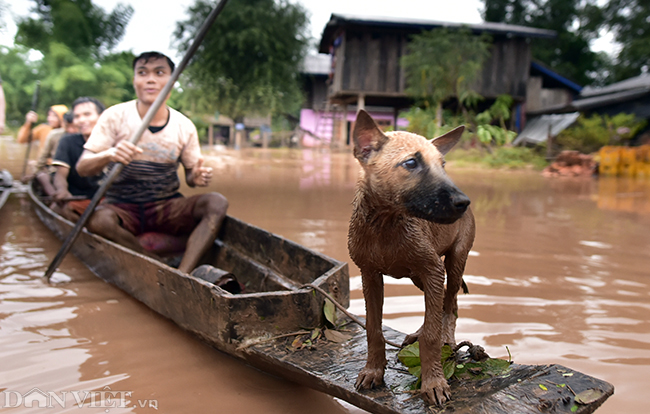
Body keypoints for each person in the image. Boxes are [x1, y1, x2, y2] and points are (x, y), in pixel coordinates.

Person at [76, 51, 228, 274]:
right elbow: (83, 167)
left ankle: (183, 272)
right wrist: (110, 154)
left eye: (159, 73)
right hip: (122, 205)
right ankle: (154, 264)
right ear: (134, 80)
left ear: (172, 82)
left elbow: (191, 176)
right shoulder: (114, 116)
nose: (150, 79)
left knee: (217, 202)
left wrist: (196, 177)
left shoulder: (183, 125)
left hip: (165, 205)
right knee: (98, 220)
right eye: (142, 73)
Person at [51, 98, 105, 221]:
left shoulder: (115, 141)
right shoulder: (67, 141)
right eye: (77, 116)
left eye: (87, 114)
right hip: (78, 198)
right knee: (63, 209)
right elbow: (60, 174)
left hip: (108, 200)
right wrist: (62, 189)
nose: (81, 120)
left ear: (102, 116)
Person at [33, 111, 79, 196]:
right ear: (63, 124)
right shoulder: (55, 135)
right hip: (57, 171)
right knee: (42, 176)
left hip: (78, 172)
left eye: (74, 127)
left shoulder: (84, 136)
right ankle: (53, 196)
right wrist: (36, 171)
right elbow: (43, 156)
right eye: (67, 126)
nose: (70, 130)